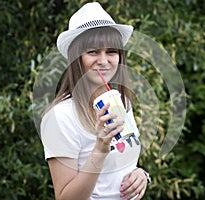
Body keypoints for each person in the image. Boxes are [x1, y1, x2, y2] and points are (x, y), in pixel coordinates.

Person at [40, 2, 150, 200]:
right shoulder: (60, 117)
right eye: (93, 52)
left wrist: (141, 175)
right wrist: (100, 148)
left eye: (111, 51)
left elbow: (121, 167)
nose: (104, 60)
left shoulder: (122, 104)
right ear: (76, 59)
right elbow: (65, 198)